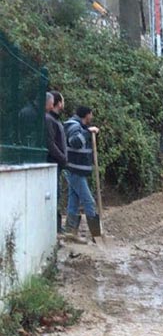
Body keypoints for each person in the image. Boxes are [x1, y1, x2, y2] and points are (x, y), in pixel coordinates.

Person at [62, 105, 101, 243]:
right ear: (87, 115)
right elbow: (75, 142)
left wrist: (90, 133)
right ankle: (97, 236)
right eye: (91, 114)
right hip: (75, 170)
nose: (92, 117)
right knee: (89, 202)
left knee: (74, 202)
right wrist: (87, 132)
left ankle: (70, 232)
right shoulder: (74, 126)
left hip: (76, 170)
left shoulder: (80, 126)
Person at [44, 92, 68, 233]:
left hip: (57, 163)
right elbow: (51, 144)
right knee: (54, 195)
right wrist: (63, 158)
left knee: (57, 195)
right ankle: (55, 228)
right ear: (58, 103)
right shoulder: (49, 120)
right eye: (62, 101)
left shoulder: (56, 120)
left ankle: (58, 227)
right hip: (54, 163)